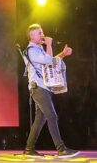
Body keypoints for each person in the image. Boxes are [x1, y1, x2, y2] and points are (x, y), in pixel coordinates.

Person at [23, 24, 79, 158]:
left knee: (40, 119)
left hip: (42, 87)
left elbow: (51, 61)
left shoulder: (39, 49)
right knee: (52, 116)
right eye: (39, 33)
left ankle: (29, 148)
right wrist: (49, 44)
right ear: (31, 36)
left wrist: (63, 54)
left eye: (42, 32)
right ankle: (61, 149)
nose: (42, 35)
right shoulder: (32, 50)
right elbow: (49, 61)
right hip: (38, 88)